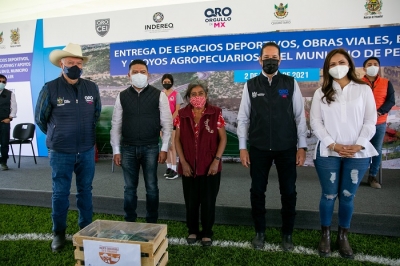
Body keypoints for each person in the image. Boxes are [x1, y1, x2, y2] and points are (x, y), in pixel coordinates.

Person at [237, 42, 308, 251]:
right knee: (257, 191)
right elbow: (243, 118)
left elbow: (299, 118)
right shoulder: (250, 85)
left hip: (286, 147)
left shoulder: (291, 83)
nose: (270, 61)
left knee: (288, 192)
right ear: (259, 60)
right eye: (266, 57)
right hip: (258, 148)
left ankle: (287, 234)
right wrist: (242, 147)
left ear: (280, 59)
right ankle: (260, 232)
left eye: (274, 57)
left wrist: (301, 146)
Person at [310, 48, 378, 259]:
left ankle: (343, 236)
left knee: (347, 196)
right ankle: (326, 235)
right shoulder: (321, 92)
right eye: (331, 64)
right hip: (329, 153)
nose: (337, 67)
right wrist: (333, 144)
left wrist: (359, 144)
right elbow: (315, 122)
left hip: (357, 154)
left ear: (349, 64)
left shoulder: (364, 90)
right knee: (329, 195)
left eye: (340, 62)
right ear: (327, 69)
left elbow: (370, 120)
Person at [35, 43, 102, 252]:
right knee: (60, 193)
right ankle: (59, 233)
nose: (75, 66)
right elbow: (40, 118)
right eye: (70, 62)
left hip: (86, 150)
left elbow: (96, 114)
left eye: (78, 63)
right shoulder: (50, 88)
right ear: (61, 64)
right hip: (60, 151)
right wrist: (58, 134)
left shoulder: (92, 88)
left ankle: (86, 230)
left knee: (85, 191)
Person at [110, 59, 172, 224]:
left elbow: (167, 123)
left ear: (148, 75)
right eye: (135, 72)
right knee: (129, 189)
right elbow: (116, 124)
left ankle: (152, 221)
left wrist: (164, 148)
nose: (139, 75)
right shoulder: (121, 96)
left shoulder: (159, 95)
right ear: (128, 75)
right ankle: (130, 220)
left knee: (152, 187)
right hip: (127, 148)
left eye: (142, 72)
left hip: (151, 148)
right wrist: (116, 150)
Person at [175, 80, 227, 247]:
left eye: (200, 94)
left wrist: (216, 161)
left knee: (208, 201)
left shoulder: (215, 113)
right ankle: (192, 230)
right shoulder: (181, 115)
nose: (197, 97)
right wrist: (183, 162)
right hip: (188, 166)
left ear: (206, 95)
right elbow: (177, 141)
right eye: (193, 94)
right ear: (188, 97)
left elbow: (223, 138)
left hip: (210, 167)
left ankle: (206, 232)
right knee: (191, 201)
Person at [361, 57, 395, 189]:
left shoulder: (387, 83)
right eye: (369, 64)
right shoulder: (358, 83)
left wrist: (379, 112)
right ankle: (357, 175)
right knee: (361, 148)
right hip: (361, 123)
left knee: (376, 150)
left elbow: (391, 101)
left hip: (379, 122)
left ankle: (372, 176)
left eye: (375, 64)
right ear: (364, 68)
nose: (372, 66)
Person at [161, 74, 183, 180]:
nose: (166, 84)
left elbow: (177, 110)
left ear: (172, 82)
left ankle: (175, 170)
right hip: (162, 124)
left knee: (172, 146)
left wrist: (169, 121)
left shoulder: (176, 94)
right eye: (164, 82)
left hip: (172, 124)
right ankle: (169, 168)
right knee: (166, 146)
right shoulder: (160, 94)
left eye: (168, 82)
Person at [0, 74, 17, 171]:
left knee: (4, 143)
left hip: (4, 122)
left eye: (3, 82)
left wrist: (10, 118)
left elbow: (14, 107)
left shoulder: (10, 93)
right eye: (0, 81)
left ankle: (4, 162)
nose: (1, 83)